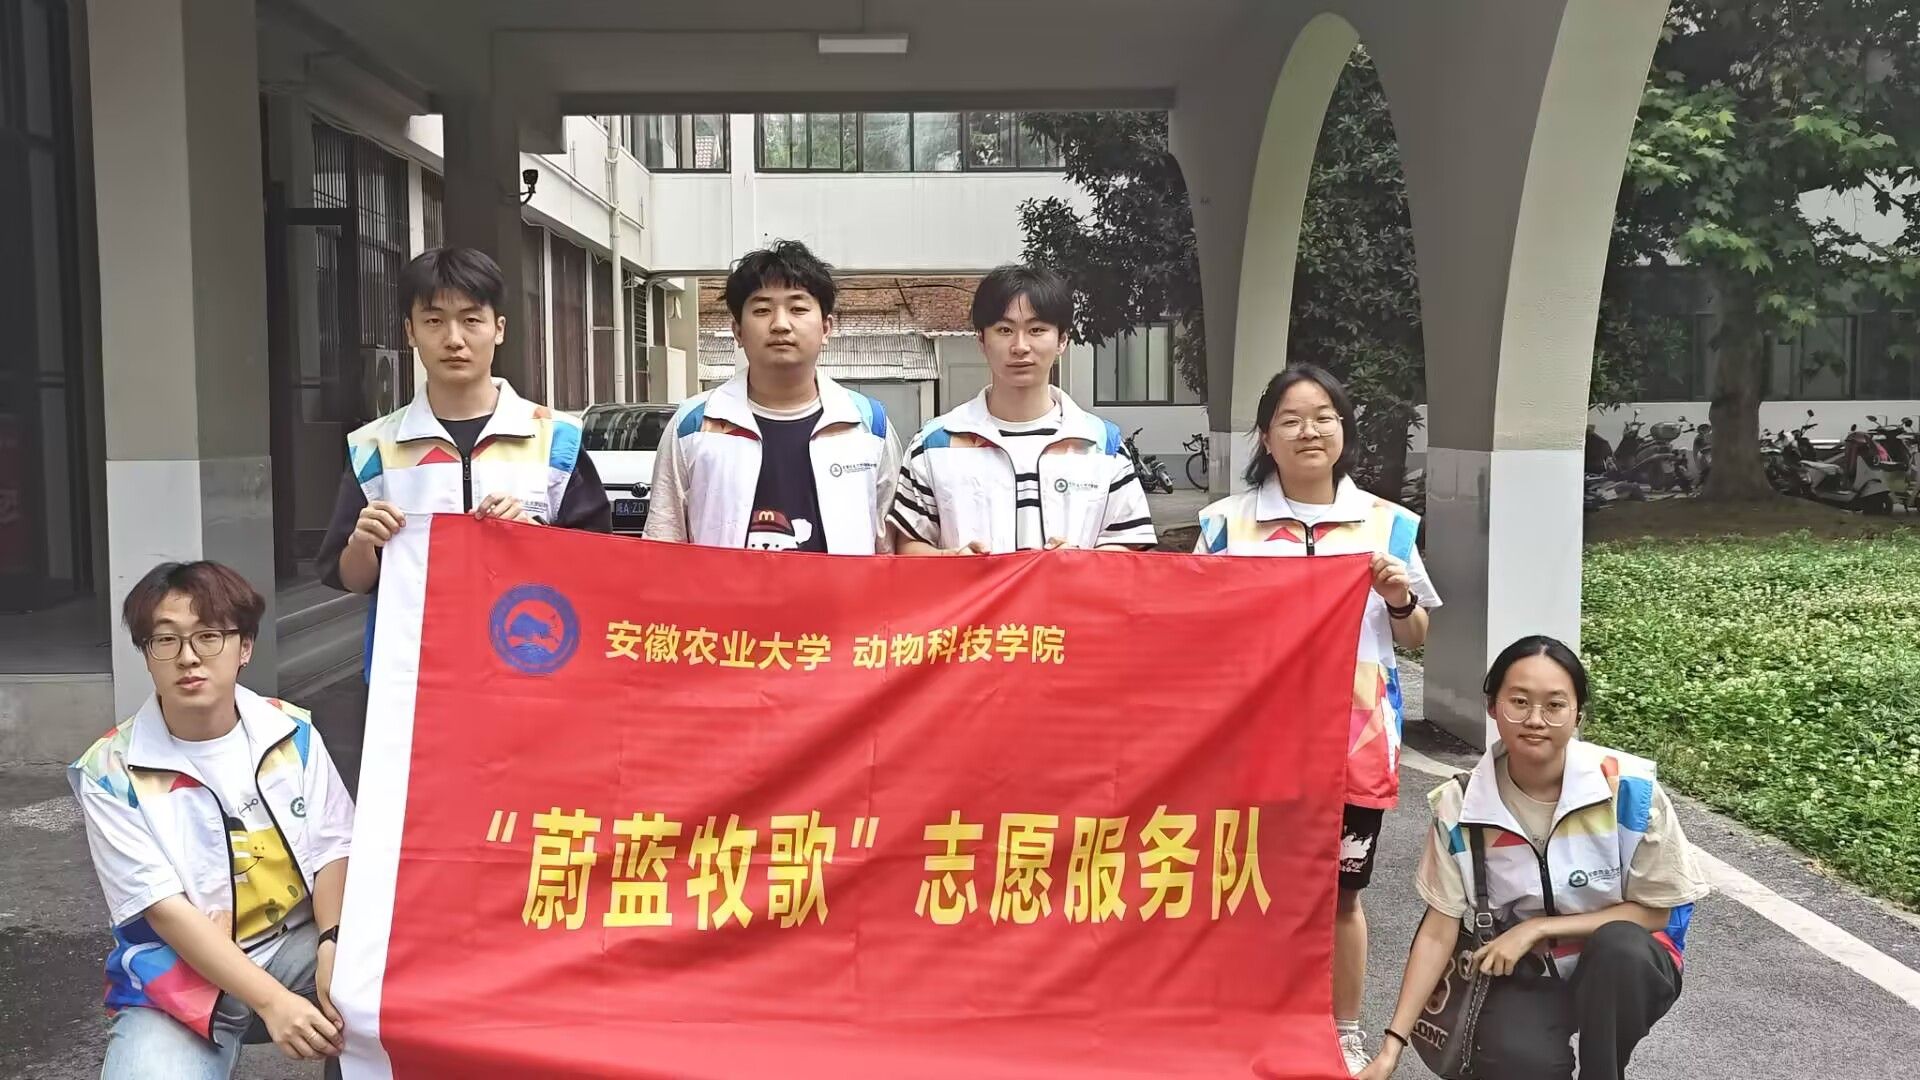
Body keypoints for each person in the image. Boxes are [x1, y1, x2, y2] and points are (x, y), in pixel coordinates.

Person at [1193, 363, 1438, 1074]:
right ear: (1266, 436)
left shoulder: (1388, 524)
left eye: (1324, 416)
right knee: (1245, 886)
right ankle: (1244, 1021)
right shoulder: (1225, 525)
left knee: (1340, 895)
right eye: (1292, 419)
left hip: (1354, 740)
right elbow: (1195, 627)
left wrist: (1397, 598)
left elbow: (1416, 635)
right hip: (1253, 740)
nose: (1310, 431)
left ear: (1343, 430)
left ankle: (1342, 1029)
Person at [314, 248, 610, 786]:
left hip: (531, 670)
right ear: (410, 331)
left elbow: (598, 564)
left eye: (471, 320)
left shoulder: (555, 437)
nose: (454, 338)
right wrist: (362, 543)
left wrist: (534, 538)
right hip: (412, 681)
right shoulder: (374, 447)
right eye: (434, 321)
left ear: (499, 329)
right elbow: (351, 578)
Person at [1359, 636, 1709, 1080]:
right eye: (1519, 702)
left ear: (1578, 714)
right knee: (1516, 1060)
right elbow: (1437, 930)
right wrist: (1391, 1048)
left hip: (1627, 965)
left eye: (1555, 705)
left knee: (1620, 949)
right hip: (1527, 971)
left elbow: (1657, 911)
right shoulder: (1460, 805)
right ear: (1492, 706)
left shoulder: (1628, 789)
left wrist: (1537, 928)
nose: (1535, 720)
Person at [70, 561, 356, 1078]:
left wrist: (332, 943)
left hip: (297, 945)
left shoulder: (291, 732)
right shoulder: (109, 770)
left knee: (395, 994)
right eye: (166, 640)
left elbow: (334, 848)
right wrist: (272, 1002)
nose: (188, 657)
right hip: (180, 974)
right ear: (147, 655)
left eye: (208, 636)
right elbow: (164, 911)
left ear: (244, 647)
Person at [644, 240, 901, 552]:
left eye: (798, 309)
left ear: (826, 328)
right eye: (762, 310)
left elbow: (890, 549)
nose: (780, 324)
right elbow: (662, 542)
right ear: (738, 331)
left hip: (843, 588)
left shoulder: (868, 424)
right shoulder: (693, 424)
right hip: (723, 588)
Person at [889, 263, 1156, 553]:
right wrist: (952, 560)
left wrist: (1079, 561)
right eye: (1004, 330)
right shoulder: (934, 444)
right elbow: (907, 545)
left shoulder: (1103, 445)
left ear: (1062, 340)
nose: (1020, 346)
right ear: (981, 340)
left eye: (1036, 330)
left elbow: (1131, 547)